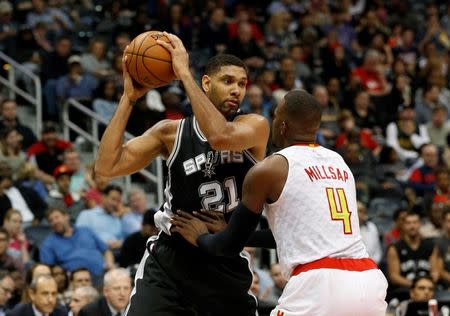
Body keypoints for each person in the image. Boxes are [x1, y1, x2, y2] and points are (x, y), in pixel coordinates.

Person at [95, 32, 269, 315]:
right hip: (171, 260)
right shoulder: (171, 132)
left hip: (223, 256)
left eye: (242, 83)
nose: (237, 89)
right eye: (228, 81)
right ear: (207, 83)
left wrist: (183, 74)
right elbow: (106, 166)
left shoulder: (254, 127)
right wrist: (128, 99)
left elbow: (220, 137)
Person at [171, 90, 388, 316]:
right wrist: (237, 233)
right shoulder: (339, 163)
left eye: (275, 116)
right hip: (367, 280)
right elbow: (295, 236)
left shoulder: (270, 169)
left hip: (319, 285)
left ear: (282, 126)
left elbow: (227, 247)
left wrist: (201, 236)